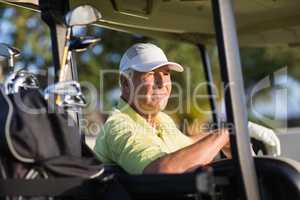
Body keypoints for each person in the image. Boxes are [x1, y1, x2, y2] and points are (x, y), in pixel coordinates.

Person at [94, 43, 280, 174]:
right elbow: (162, 170)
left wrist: (234, 131)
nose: (162, 83)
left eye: (165, 73)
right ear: (125, 83)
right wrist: (223, 135)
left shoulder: (160, 120)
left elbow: (188, 147)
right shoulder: (119, 127)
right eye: (151, 74)